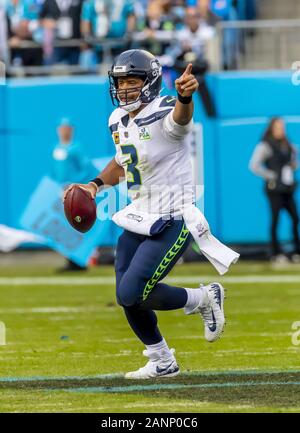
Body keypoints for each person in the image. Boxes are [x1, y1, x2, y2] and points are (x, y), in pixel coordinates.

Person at [64, 49, 227, 379]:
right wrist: (95, 185)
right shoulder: (117, 120)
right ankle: (162, 360)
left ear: (150, 82)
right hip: (139, 215)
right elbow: (124, 161)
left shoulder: (165, 108)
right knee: (125, 296)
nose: (124, 89)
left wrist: (184, 96)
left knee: (132, 292)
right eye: (120, 82)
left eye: (132, 81)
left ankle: (204, 297)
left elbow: (180, 121)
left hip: (173, 217)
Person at [249, 117, 300, 263]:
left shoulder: (287, 144)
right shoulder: (265, 145)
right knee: (275, 219)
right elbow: (254, 165)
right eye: (278, 127)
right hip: (274, 189)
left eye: (283, 127)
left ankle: (296, 251)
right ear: (272, 128)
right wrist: (271, 175)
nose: (281, 129)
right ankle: (275, 253)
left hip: (287, 188)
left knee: (295, 218)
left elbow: (292, 159)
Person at [52, 117, 95, 271]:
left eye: (67, 128)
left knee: (76, 223)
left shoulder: (76, 148)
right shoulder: (56, 148)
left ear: (71, 130)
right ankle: (70, 259)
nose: (64, 131)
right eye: (62, 128)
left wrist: (75, 184)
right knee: (64, 226)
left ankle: (79, 260)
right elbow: (55, 171)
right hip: (60, 191)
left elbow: (86, 168)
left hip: (73, 192)